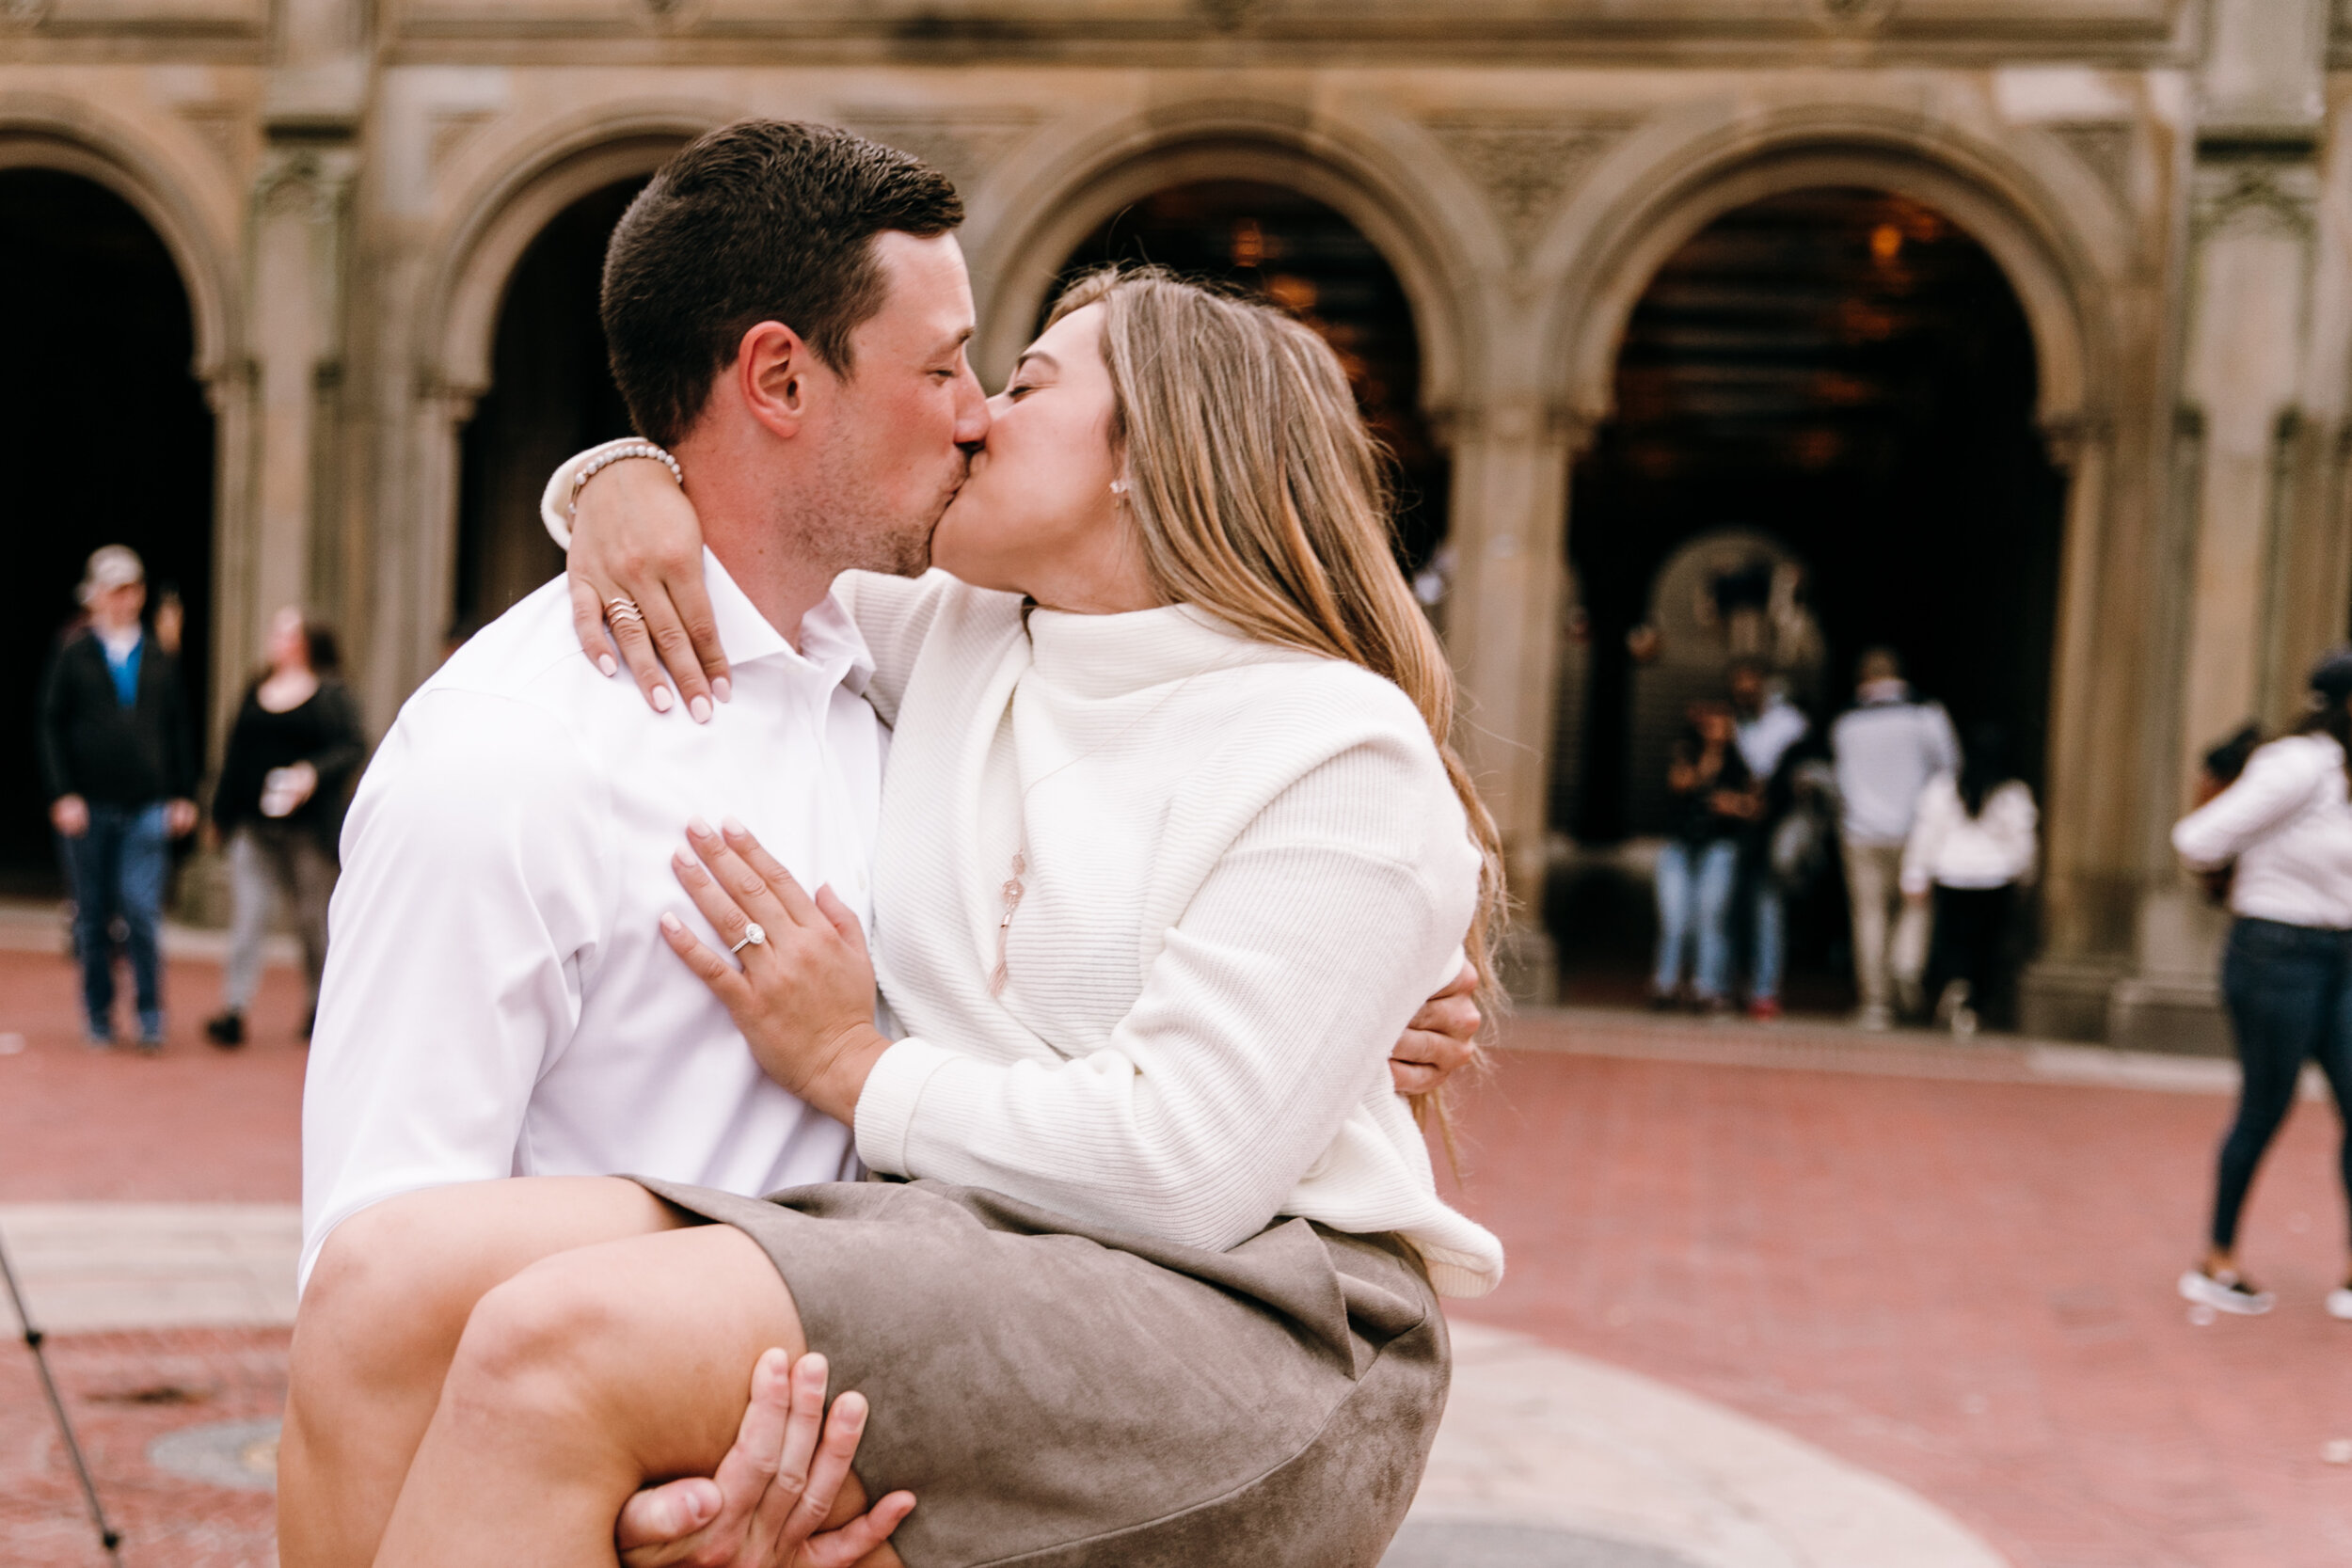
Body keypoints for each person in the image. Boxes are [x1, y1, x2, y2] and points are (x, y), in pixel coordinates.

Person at [283, 122, 1489, 1568]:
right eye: (952, 369)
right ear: (784, 376)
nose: (977, 412)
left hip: (1220, 1292)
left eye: (1015, 376)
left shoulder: (1321, 744)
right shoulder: (944, 646)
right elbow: (750, 546)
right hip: (925, 1256)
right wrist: (610, 475)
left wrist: (854, 1063)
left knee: (559, 1340)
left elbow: (1190, 1159)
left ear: (1154, 461)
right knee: (376, 1282)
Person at [2171, 648, 2352, 1321]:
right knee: (2264, 1108)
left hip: (2341, 954)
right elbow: (2196, 838)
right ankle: (2215, 1258)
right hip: (2277, 950)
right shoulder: (2298, 765)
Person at [37, 545, 199, 1051]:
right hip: (90, 806)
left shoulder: (158, 654)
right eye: (113, 590)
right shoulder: (74, 653)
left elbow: (178, 728)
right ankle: (99, 1012)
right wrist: (64, 793)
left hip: (146, 804)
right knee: (91, 915)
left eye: (131, 589)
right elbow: (50, 724)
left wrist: (183, 793)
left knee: (141, 908)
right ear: (96, 596)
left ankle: (151, 1012)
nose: (123, 600)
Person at [204, 609, 366, 1047]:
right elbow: (235, 752)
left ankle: (322, 1005)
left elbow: (353, 745)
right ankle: (234, 1009)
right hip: (255, 829)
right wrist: (220, 814)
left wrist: (312, 774)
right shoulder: (257, 688)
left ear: (306, 641)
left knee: (313, 921)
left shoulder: (330, 692)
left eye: (288, 632)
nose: (278, 639)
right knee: (248, 918)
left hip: (307, 832)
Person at [1830, 647, 1958, 1029]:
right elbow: (1950, 768)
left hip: (1860, 833)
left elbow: (1840, 780)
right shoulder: (1926, 717)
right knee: (1915, 907)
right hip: (1915, 830)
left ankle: (1876, 1003)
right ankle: (1907, 966)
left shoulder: (1845, 724)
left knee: (1869, 916)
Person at [1901, 722, 2037, 1038]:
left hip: (1952, 874)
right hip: (1996, 877)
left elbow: (1926, 833)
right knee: (1986, 946)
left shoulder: (1945, 787)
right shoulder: (2012, 793)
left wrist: (1915, 873)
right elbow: (2023, 842)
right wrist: (2027, 878)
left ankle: (1954, 988)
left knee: (1952, 942)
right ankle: (1972, 1005)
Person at [1653, 698, 1759, 1013]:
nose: (1715, 731)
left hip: (1719, 846)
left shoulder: (1739, 764)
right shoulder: (1687, 754)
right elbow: (1679, 784)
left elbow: (1755, 805)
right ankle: (1666, 983)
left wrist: (1734, 805)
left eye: (1721, 724)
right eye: (1709, 724)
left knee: (1711, 916)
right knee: (1674, 918)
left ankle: (1706, 986)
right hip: (1682, 845)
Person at [1729, 657, 1809, 1020]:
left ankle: (1764, 989)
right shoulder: (1734, 723)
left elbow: (1793, 774)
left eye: (1751, 685)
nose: (1744, 692)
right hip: (1736, 830)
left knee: (1768, 911)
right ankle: (1732, 982)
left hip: (1772, 831)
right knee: (1730, 910)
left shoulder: (1790, 724)